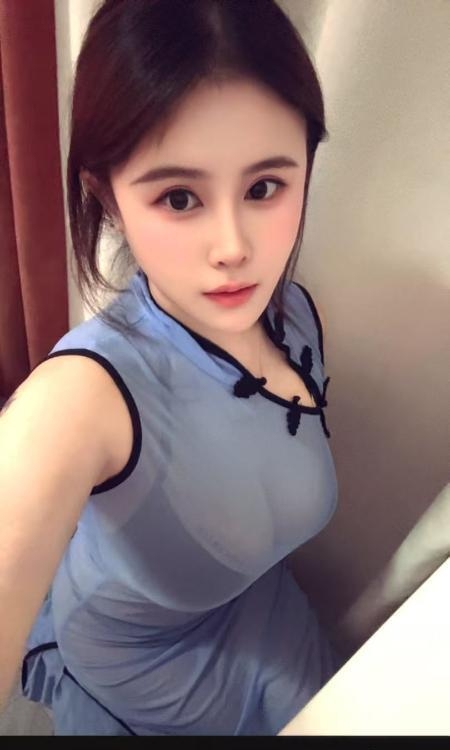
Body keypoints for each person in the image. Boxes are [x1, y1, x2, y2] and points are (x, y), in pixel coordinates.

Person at [0, 0, 344, 735]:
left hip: (259, 613)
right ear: (108, 197)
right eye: (179, 197)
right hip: (143, 672)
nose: (233, 247)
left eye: (264, 187)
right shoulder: (85, 395)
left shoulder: (297, 316)